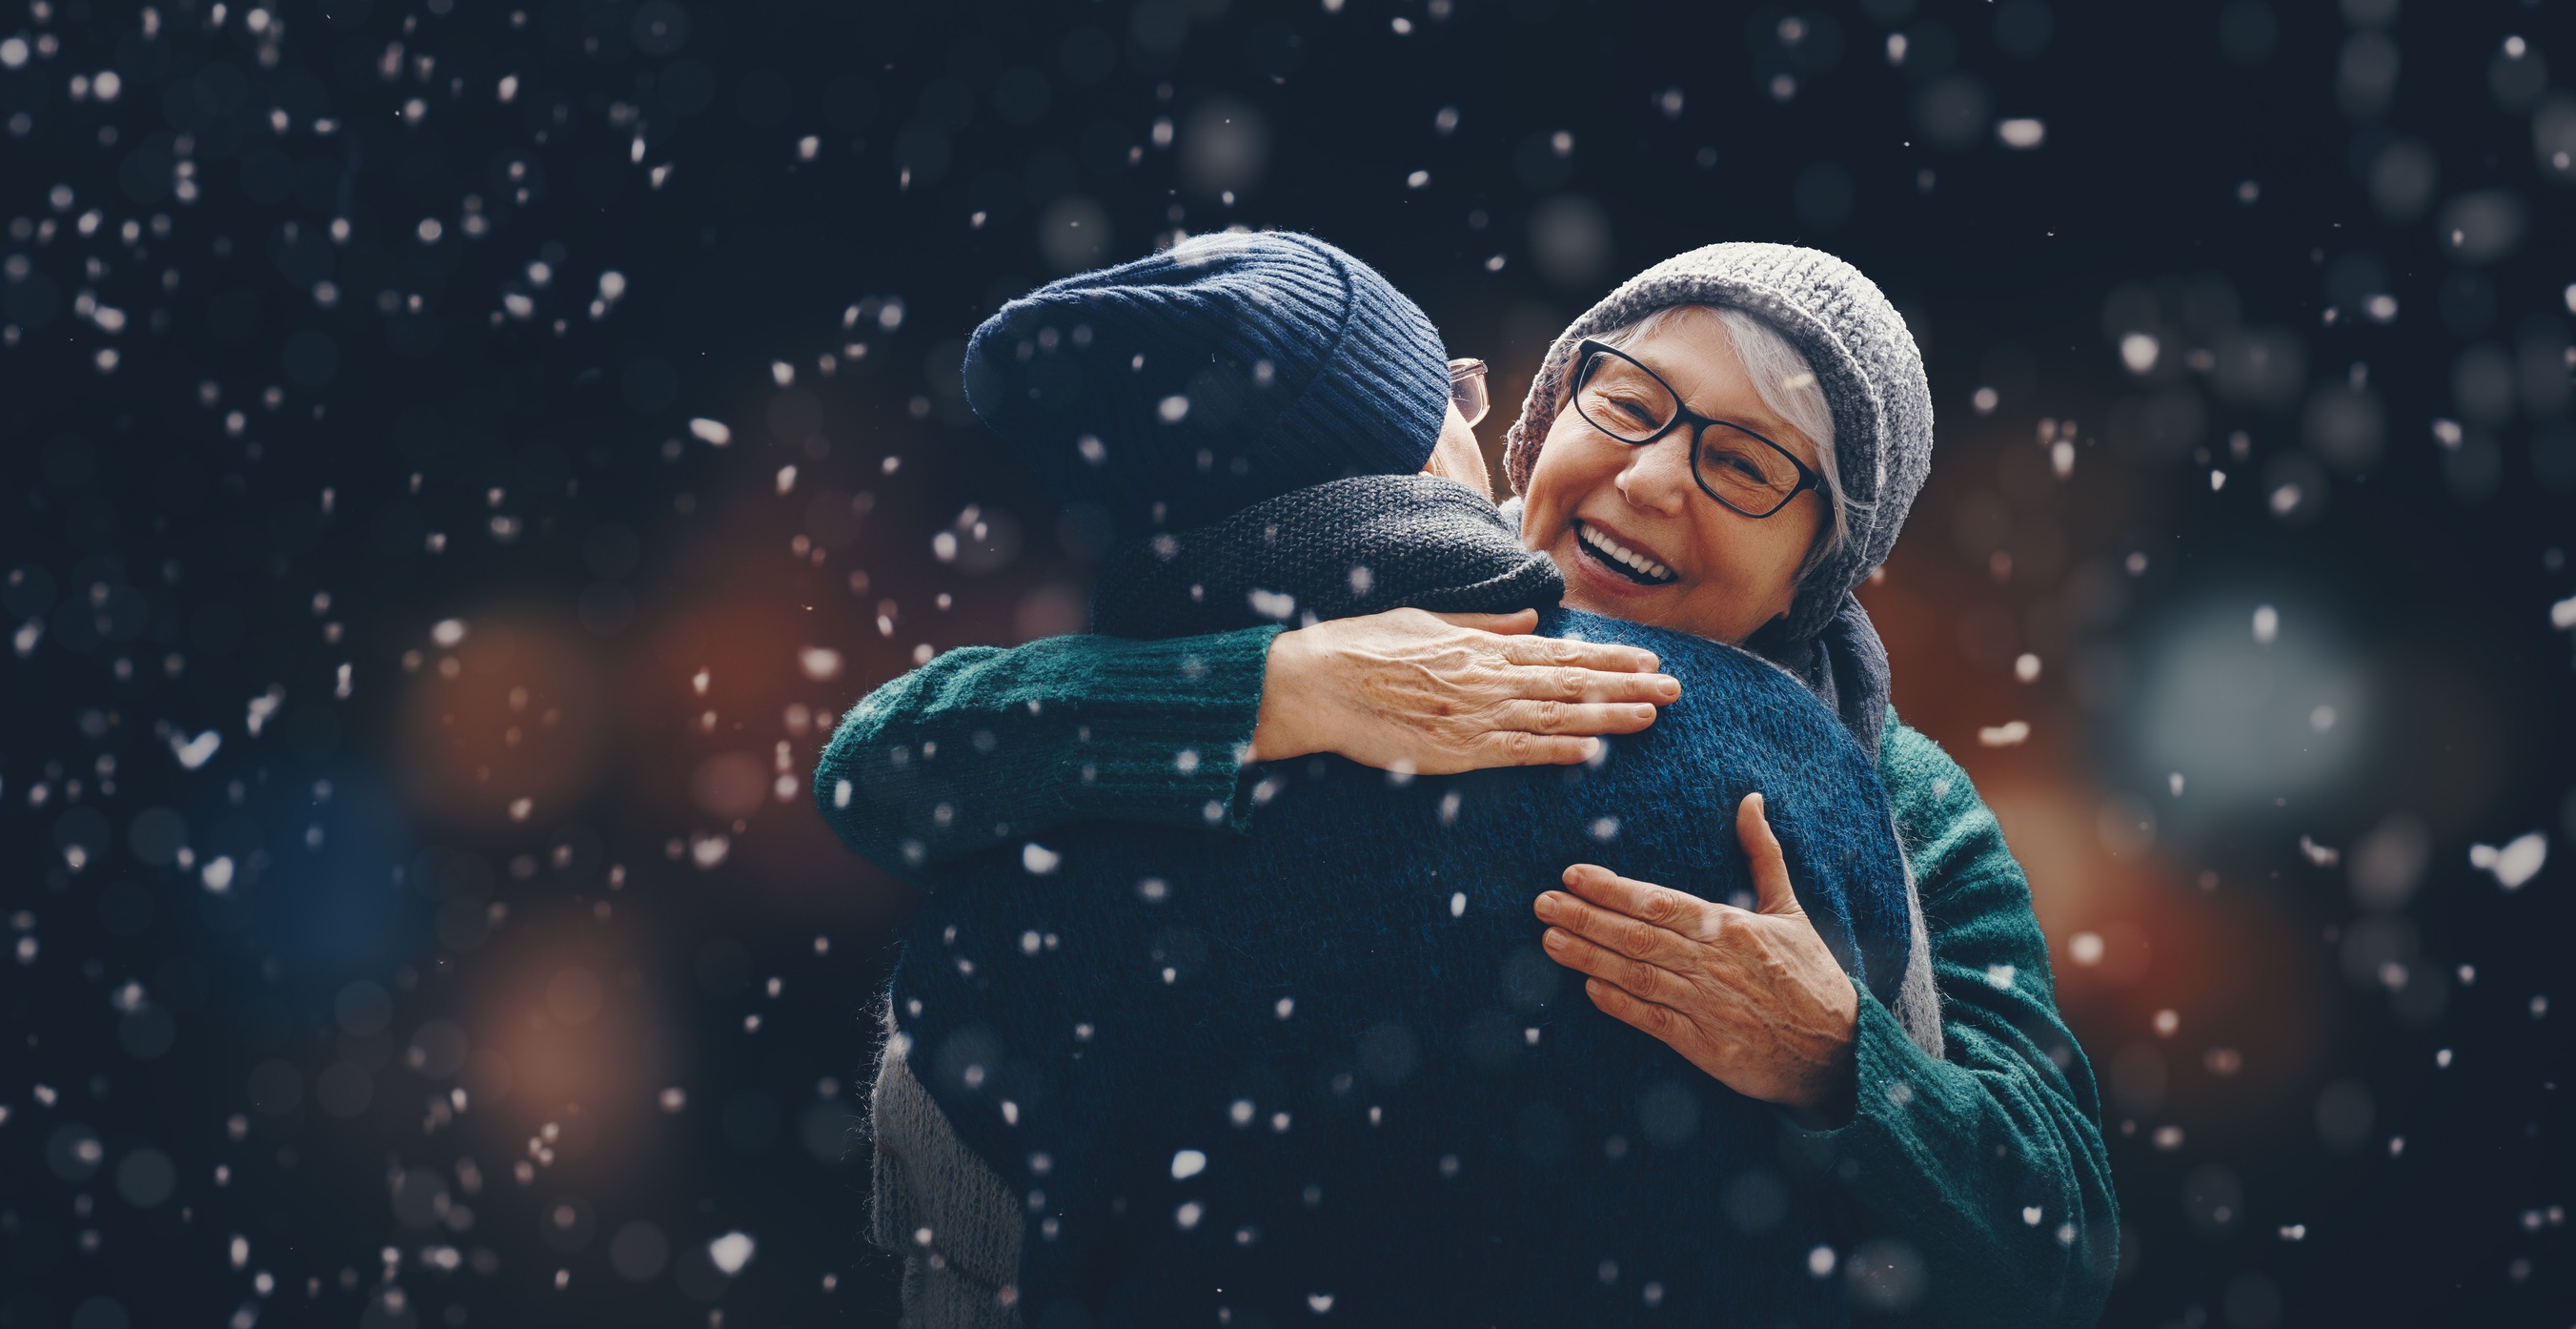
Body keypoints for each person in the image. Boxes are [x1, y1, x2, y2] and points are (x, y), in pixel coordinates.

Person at [825, 237, 2120, 1326]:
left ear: (1815, 571)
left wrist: (1844, 1061)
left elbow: (2059, 1240)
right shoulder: (1301, 608)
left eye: (1743, 464)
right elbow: (885, 765)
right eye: (1627, 401)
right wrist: (1273, 689)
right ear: (1541, 413)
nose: (1652, 476)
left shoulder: (1895, 798)